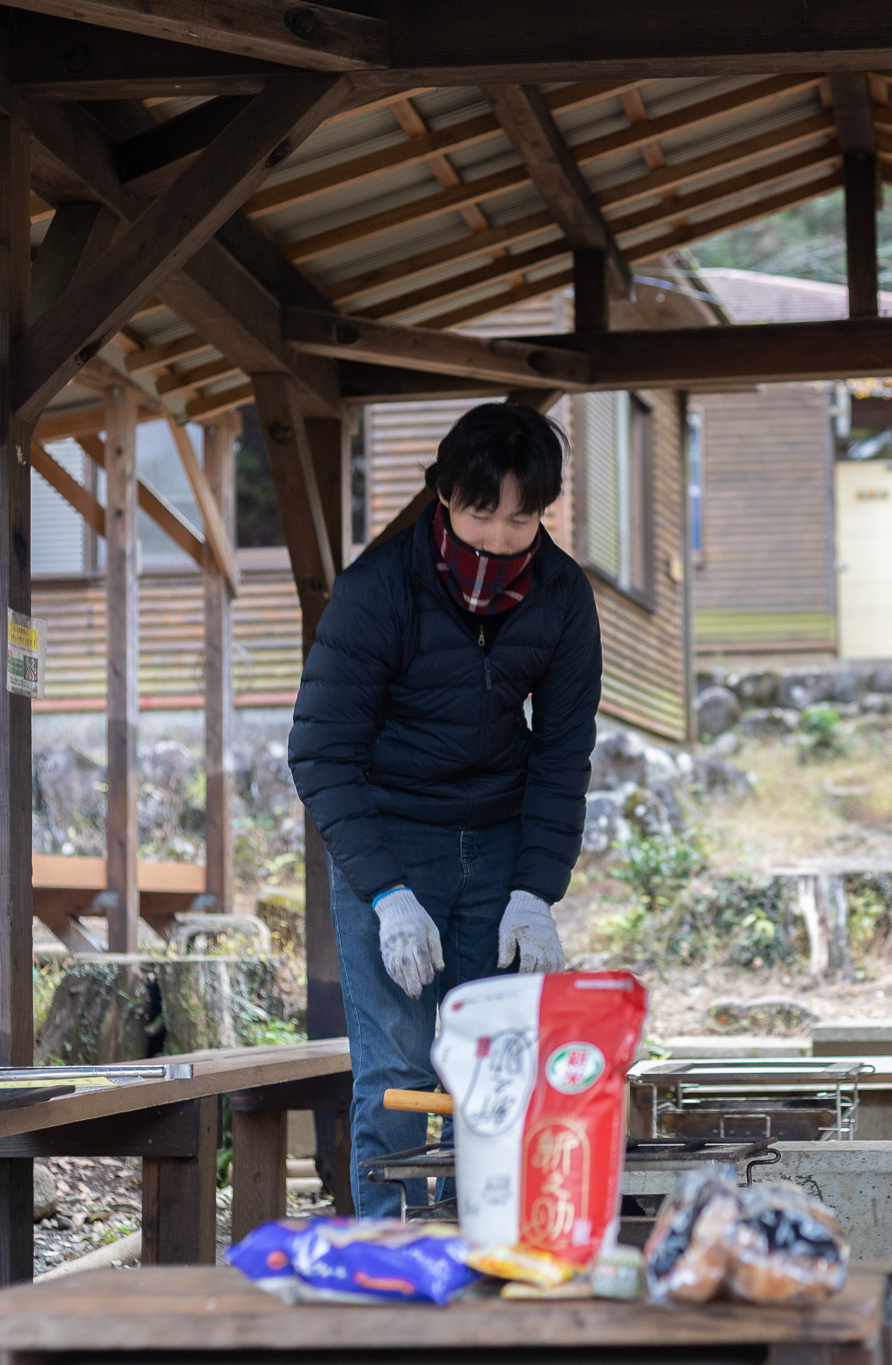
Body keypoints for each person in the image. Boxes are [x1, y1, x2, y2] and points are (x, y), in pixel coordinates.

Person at [289, 402, 602, 1216]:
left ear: (544, 511)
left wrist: (536, 890)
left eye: (521, 516)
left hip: (498, 845)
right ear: (442, 495)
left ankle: (487, 1247)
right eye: (478, 511)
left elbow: (562, 752)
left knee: (494, 1058)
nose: (497, 537)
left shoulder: (563, 596)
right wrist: (387, 895)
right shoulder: (376, 589)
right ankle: (391, 1270)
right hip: (390, 841)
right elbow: (321, 752)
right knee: (395, 1067)